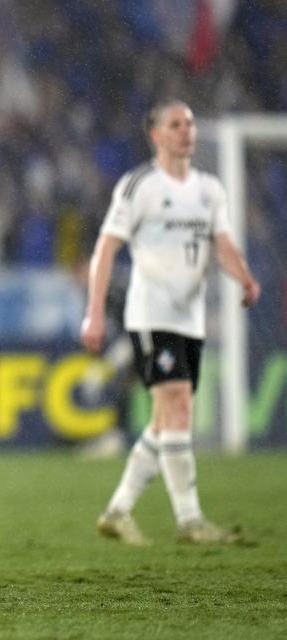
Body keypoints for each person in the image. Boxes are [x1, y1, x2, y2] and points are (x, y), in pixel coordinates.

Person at [81, 99, 260, 546]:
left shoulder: (209, 189)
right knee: (177, 403)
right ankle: (190, 519)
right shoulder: (139, 185)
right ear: (156, 135)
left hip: (190, 317)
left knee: (166, 420)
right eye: (176, 125)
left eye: (191, 124)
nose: (187, 132)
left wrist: (244, 278)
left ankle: (118, 511)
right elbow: (106, 249)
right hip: (151, 314)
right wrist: (96, 311)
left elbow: (221, 243)